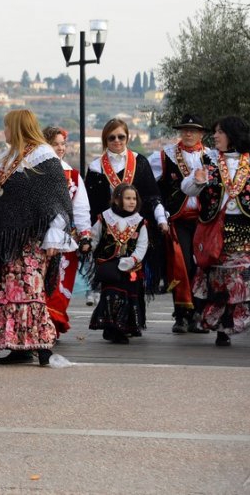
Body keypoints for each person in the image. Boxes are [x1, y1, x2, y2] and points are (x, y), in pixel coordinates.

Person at [0, 110, 75, 366]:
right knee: (6, 291)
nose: (4, 131)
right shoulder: (6, 159)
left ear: (19, 127)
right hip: (6, 240)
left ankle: (42, 346)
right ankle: (18, 347)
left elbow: (58, 199)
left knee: (30, 289)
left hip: (31, 239)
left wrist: (55, 235)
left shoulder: (43, 157)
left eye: (7, 126)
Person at [182, 115, 250, 349]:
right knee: (222, 282)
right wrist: (197, 181)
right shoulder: (207, 159)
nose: (215, 136)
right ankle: (223, 328)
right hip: (219, 231)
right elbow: (187, 189)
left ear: (232, 134)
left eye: (219, 132)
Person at [83, 119, 166, 308]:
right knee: (111, 282)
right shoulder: (96, 167)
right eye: (111, 138)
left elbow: (152, 195)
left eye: (121, 136)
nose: (117, 141)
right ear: (105, 140)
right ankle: (110, 317)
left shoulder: (140, 162)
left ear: (127, 138)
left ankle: (133, 318)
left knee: (134, 281)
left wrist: (161, 218)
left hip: (135, 229)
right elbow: (90, 205)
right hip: (109, 231)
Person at [149, 114, 213, 334]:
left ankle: (198, 315)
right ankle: (181, 315)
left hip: (204, 222)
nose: (188, 133)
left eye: (193, 130)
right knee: (181, 265)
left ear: (201, 134)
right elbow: (148, 182)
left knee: (202, 267)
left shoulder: (211, 157)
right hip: (178, 220)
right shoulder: (165, 156)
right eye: (185, 129)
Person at [42, 126, 92, 336]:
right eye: (55, 144)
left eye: (63, 144)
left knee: (60, 285)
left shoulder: (73, 175)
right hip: (39, 238)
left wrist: (85, 235)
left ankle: (52, 325)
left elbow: (80, 208)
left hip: (64, 241)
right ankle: (39, 326)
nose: (60, 148)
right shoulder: (35, 171)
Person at [88, 184, 148, 344]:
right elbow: (94, 237)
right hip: (110, 267)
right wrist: (86, 244)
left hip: (131, 268)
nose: (132, 202)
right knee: (111, 294)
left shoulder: (140, 222)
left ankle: (123, 328)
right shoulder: (105, 218)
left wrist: (133, 259)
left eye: (134, 198)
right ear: (116, 200)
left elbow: (142, 246)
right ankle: (112, 329)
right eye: (128, 198)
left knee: (129, 296)